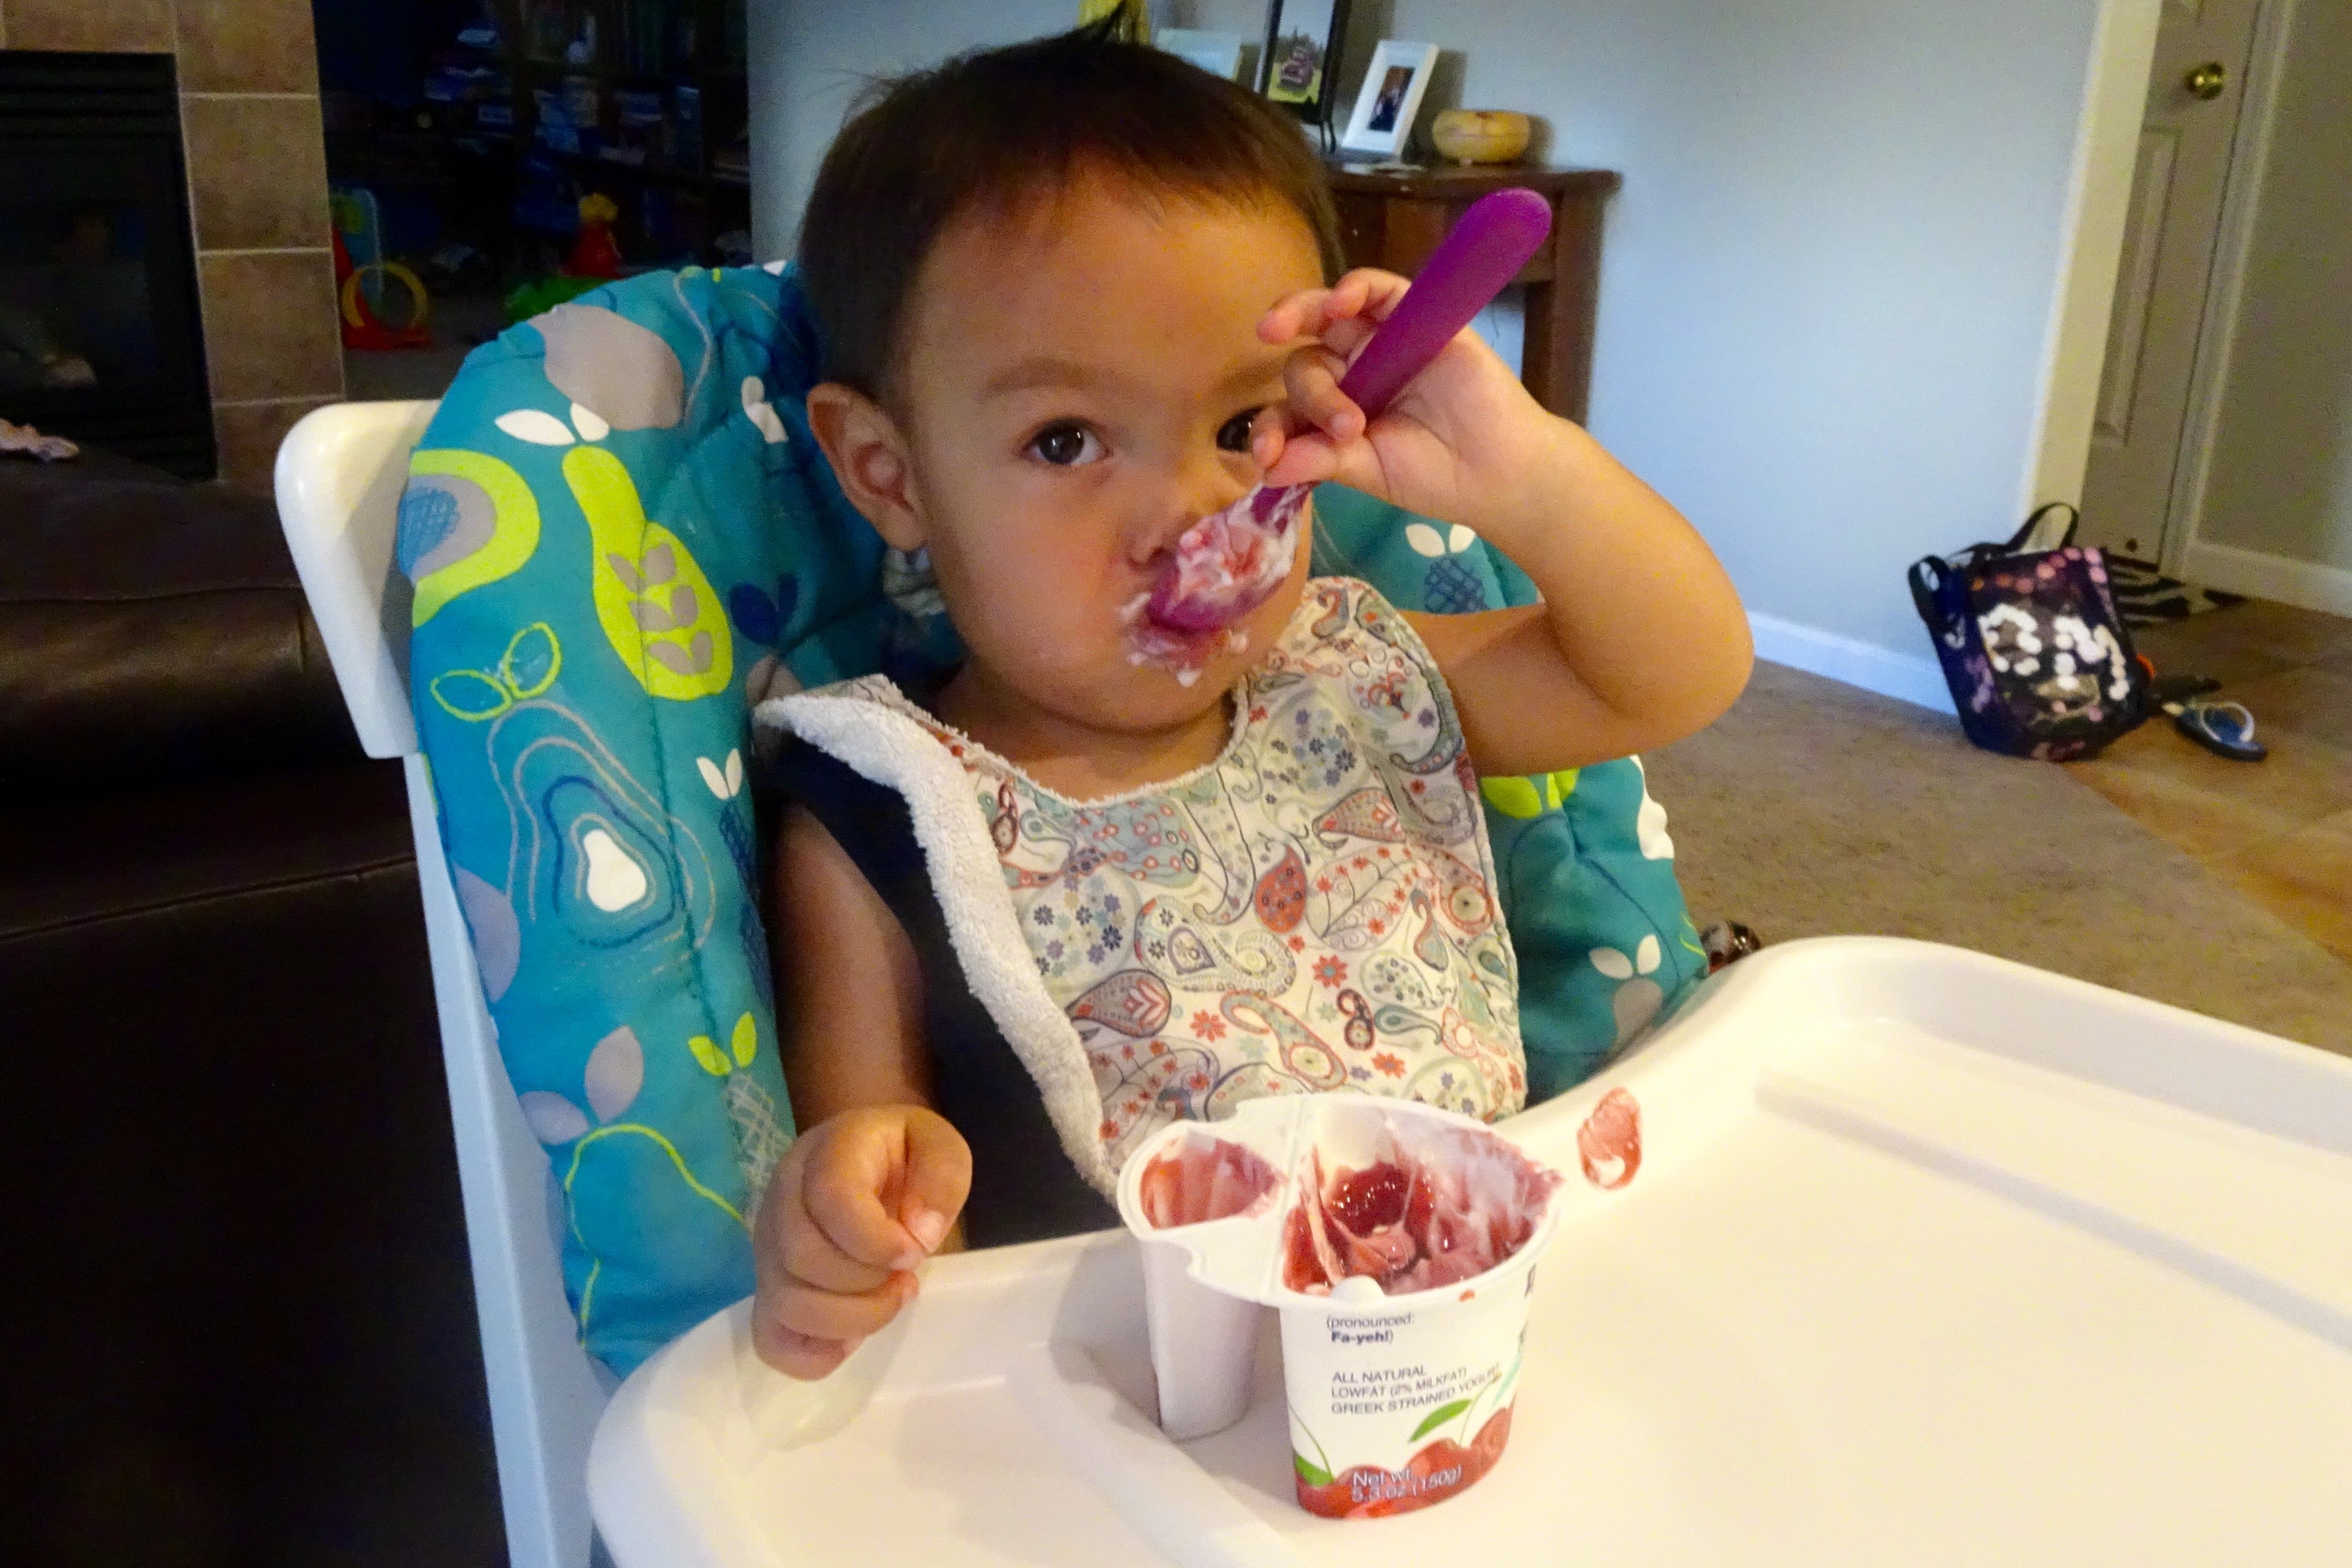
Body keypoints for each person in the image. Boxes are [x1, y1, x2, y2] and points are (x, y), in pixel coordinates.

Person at [748, 25, 1751, 1380]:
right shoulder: (885, 804)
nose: (1190, 510)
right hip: (1147, 1412)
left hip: (1490, 1351)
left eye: (1239, 429)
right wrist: (851, 1199)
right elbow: (873, 1152)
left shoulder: (1356, 680)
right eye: (1064, 440)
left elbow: (1682, 671)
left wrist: (1523, 472)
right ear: (890, 472)